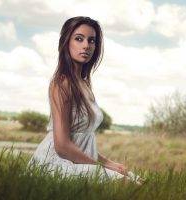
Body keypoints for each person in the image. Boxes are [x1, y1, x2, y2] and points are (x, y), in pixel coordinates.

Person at [27, 16, 144, 185]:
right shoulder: (61, 84)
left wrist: (109, 163)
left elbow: (83, 142)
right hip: (58, 163)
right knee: (129, 184)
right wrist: (100, 167)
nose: (86, 45)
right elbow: (62, 146)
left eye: (92, 40)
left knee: (136, 180)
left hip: (80, 161)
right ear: (66, 42)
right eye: (79, 39)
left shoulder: (84, 84)